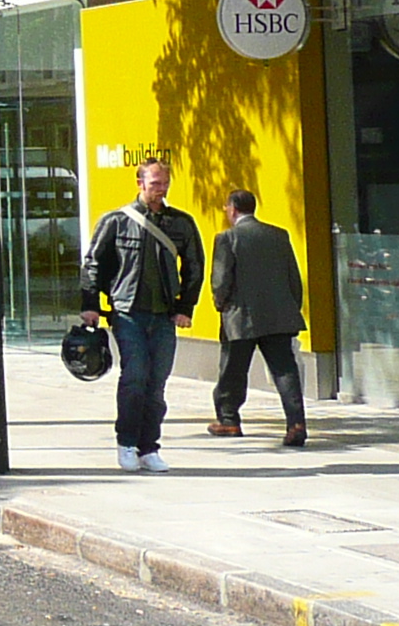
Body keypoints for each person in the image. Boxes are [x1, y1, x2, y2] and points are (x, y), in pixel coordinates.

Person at [84, 156, 204, 472]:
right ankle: (126, 443)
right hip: (127, 313)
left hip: (164, 316)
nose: (159, 189)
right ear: (140, 183)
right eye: (154, 184)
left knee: (157, 383)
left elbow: (195, 266)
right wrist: (91, 305)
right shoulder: (116, 221)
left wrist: (185, 308)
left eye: (164, 183)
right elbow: (94, 263)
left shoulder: (181, 223)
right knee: (135, 376)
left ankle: (149, 448)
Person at [206, 189, 308, 445]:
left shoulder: (227, 238)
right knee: (285, 370)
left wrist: (221, 305)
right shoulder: (279, 235)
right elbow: (293, 279)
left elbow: (221, 280)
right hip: (278, 317)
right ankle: (296, 423)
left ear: (232, 209)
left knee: (232, 370)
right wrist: (291, 308)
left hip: (240, 317)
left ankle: (229, 420)